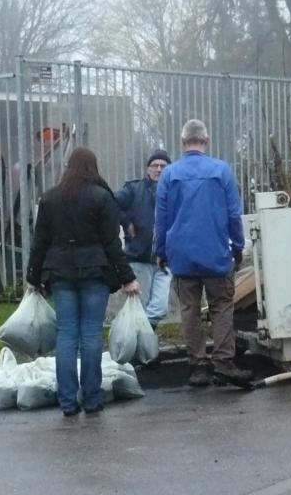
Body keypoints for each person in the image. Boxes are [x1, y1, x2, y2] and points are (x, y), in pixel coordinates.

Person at [27, 147, 140, 416]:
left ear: (68, 166)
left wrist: (33, 277)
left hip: (60, 274)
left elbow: (39, 242)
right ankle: (91, 399)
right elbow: (112, 243)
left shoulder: (49, 198)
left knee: (66, 334)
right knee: (91, 334)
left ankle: (67, 402)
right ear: (93, 167)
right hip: (95, 273)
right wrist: (128, 278)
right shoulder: (102, 197)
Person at [154, 120, 252, 389]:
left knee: (190, 310)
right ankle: (223, 363)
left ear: (183, 142)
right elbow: (233, 214)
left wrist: (160, 251)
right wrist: (237, 246)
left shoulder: (169, 175)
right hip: (216, 254)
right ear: (205, 140)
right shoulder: (221, 171)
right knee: (222, 306)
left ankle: (198, 365)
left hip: (182, 257)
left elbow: (161, 219)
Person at [115, 150, 172, 331]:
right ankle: (145, 354)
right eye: (155, 166)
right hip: (139, 258)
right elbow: (111, 203)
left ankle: (142, 342)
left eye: (163, 166)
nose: (159, 169)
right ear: (147, 169)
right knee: (140, 306)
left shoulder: (175, 191)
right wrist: (126, 221)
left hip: (166, 260)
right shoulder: (133, 189)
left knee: (159, 308)